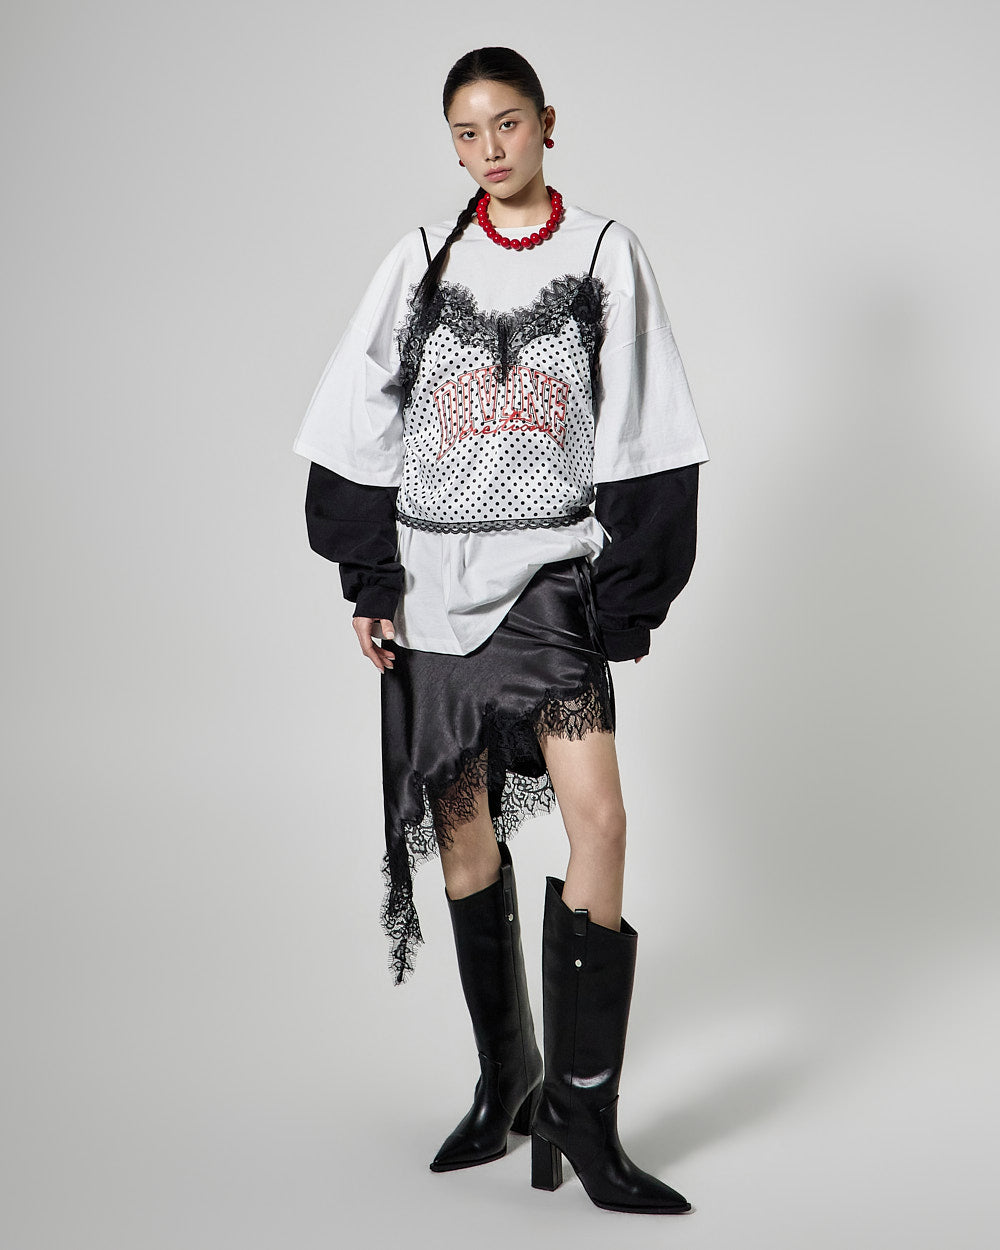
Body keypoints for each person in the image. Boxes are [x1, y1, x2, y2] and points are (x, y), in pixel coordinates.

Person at [293, 46, 709, 1215]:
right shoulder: (421, 259)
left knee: (599, 817)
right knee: (463, 831)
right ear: (453, 142)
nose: (489, 148)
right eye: (467, 132)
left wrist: (626, 592)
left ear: (546, 123)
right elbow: (358, 408)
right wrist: (370, 577)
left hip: (544, 577)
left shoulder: (605, 253)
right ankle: (506, 1077)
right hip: (429, 580)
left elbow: (650, 420)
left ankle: (583, 1107)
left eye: (508, 123)